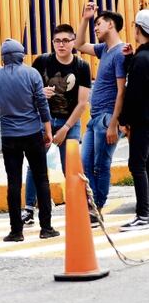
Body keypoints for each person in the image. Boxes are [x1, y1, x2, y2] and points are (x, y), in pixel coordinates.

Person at [0, 39, 59, 241]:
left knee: (13, 183)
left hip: (9, 136)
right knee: (41, 178)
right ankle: (46, 227)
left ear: (3, 57)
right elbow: (42, 104)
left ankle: (16, 231)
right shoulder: (32, 74)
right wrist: (48, 129)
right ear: (21, 55)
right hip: (33, 133)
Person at [22, 24, 91, 225]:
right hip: (44, 121)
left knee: (72, 167)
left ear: (73, 42)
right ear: (52, 42)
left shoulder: (81, 67)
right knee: (35, 164)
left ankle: (79, 208)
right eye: (57, 41)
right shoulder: (42, 62)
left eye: (66, 40)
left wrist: (65, 129)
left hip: (69, 122)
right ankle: (28, 209)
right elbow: (28, 91)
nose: (61, 45)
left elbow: (82, 103)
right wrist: (40, 93)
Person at [77, 3, 129, 219]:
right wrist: (85, 18)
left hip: (107, 117)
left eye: (98, 24)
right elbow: (79, 44)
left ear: (111, 24)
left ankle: (97, 206)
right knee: (85, 162)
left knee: (101, 164)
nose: (95, 28)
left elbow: (121, 91)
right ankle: (92, 206)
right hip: (94, 118)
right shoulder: (104, 50)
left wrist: (114, 123)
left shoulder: (120, 53)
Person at [120, 10, 149, 231]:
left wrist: (124, 120)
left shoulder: (141, 59)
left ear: (139, 28)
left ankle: (143, 215)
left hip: (142, 121)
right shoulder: (141, 57)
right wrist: (131, 58)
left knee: (137, 165)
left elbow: (134, 93)